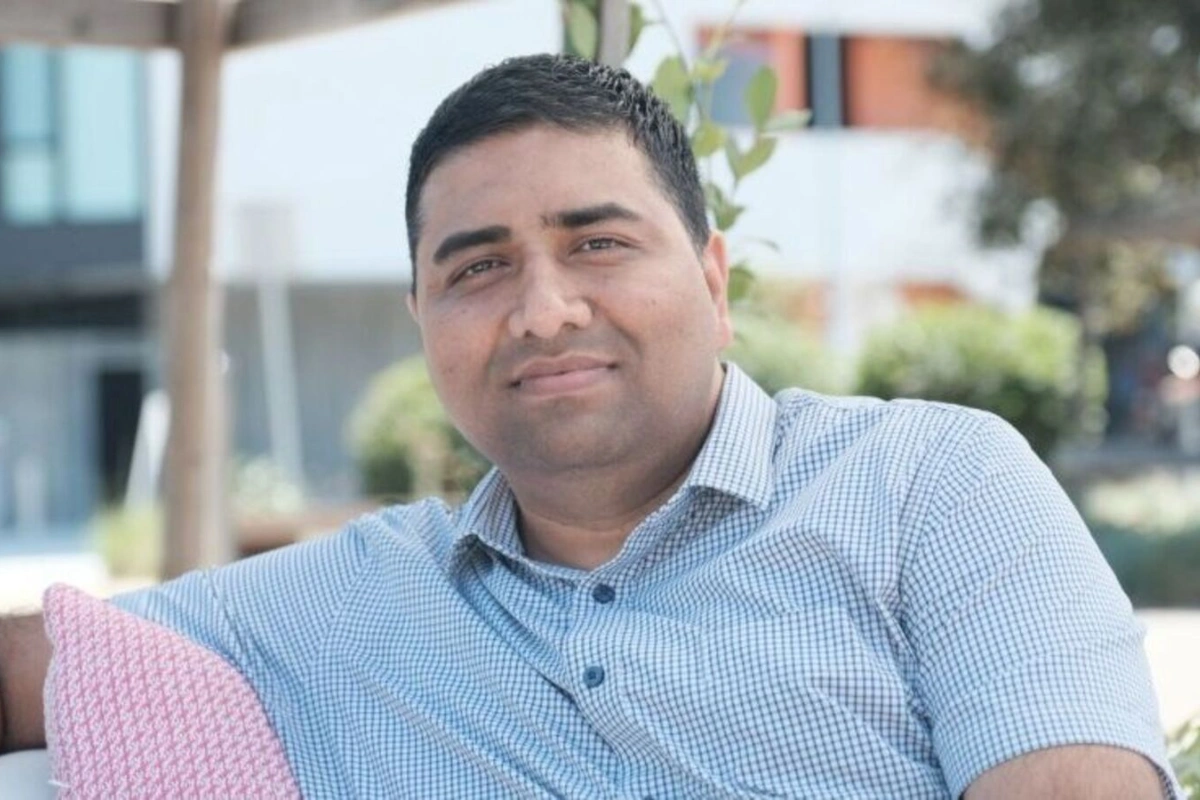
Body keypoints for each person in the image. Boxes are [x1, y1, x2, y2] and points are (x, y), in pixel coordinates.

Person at [0, 53, 1182, 798]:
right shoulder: (338, 603)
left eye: (598, 243)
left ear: (713, 278)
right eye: (478, 268)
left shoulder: (930, 485)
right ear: (424, 323)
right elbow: (35, 663)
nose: (543, 309)